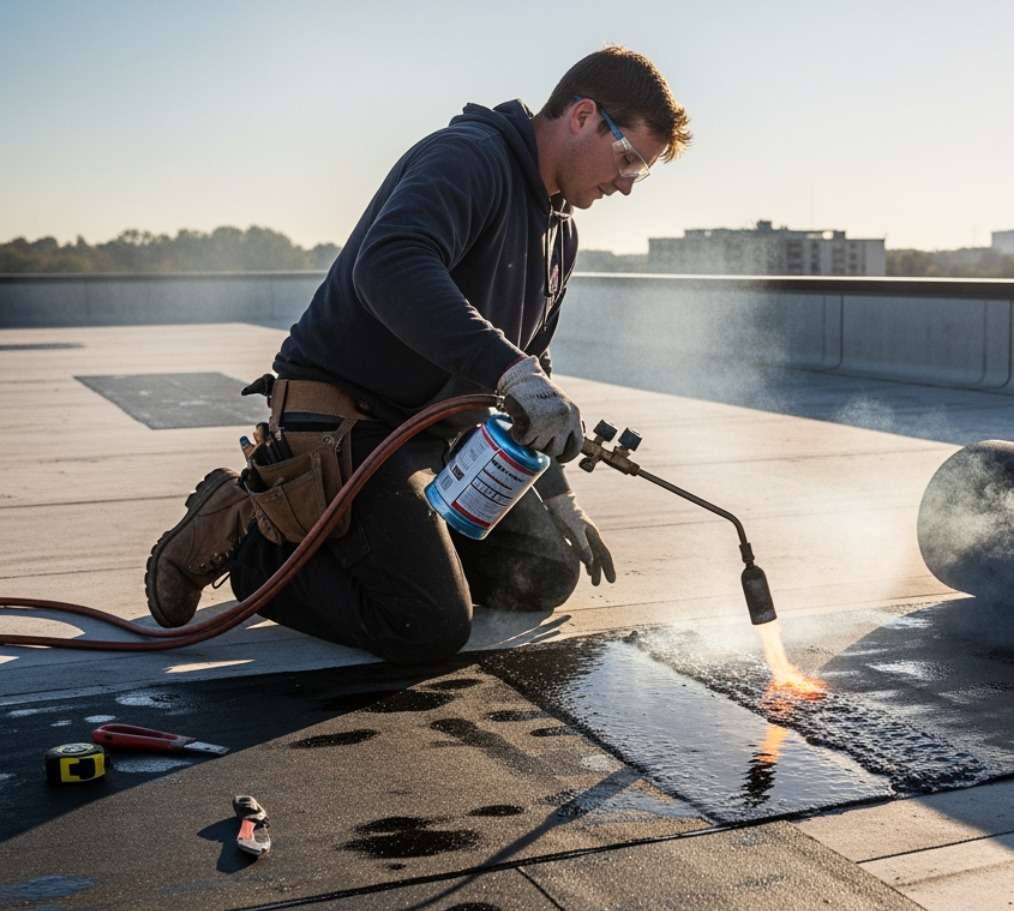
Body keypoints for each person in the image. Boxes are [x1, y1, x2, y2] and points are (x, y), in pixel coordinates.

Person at [144, 46, 690, 664]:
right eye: (627, 160)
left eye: (637, 173)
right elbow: (390, 265)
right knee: (426, 624)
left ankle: (368, 539)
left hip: (435, 442)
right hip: (349, 425)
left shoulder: (560, 230)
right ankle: (253, 532)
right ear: (584, 115)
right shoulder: (470, 158)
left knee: (545, 573)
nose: (624, 184)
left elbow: (530, 368)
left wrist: (562, 495)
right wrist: (512, 374)